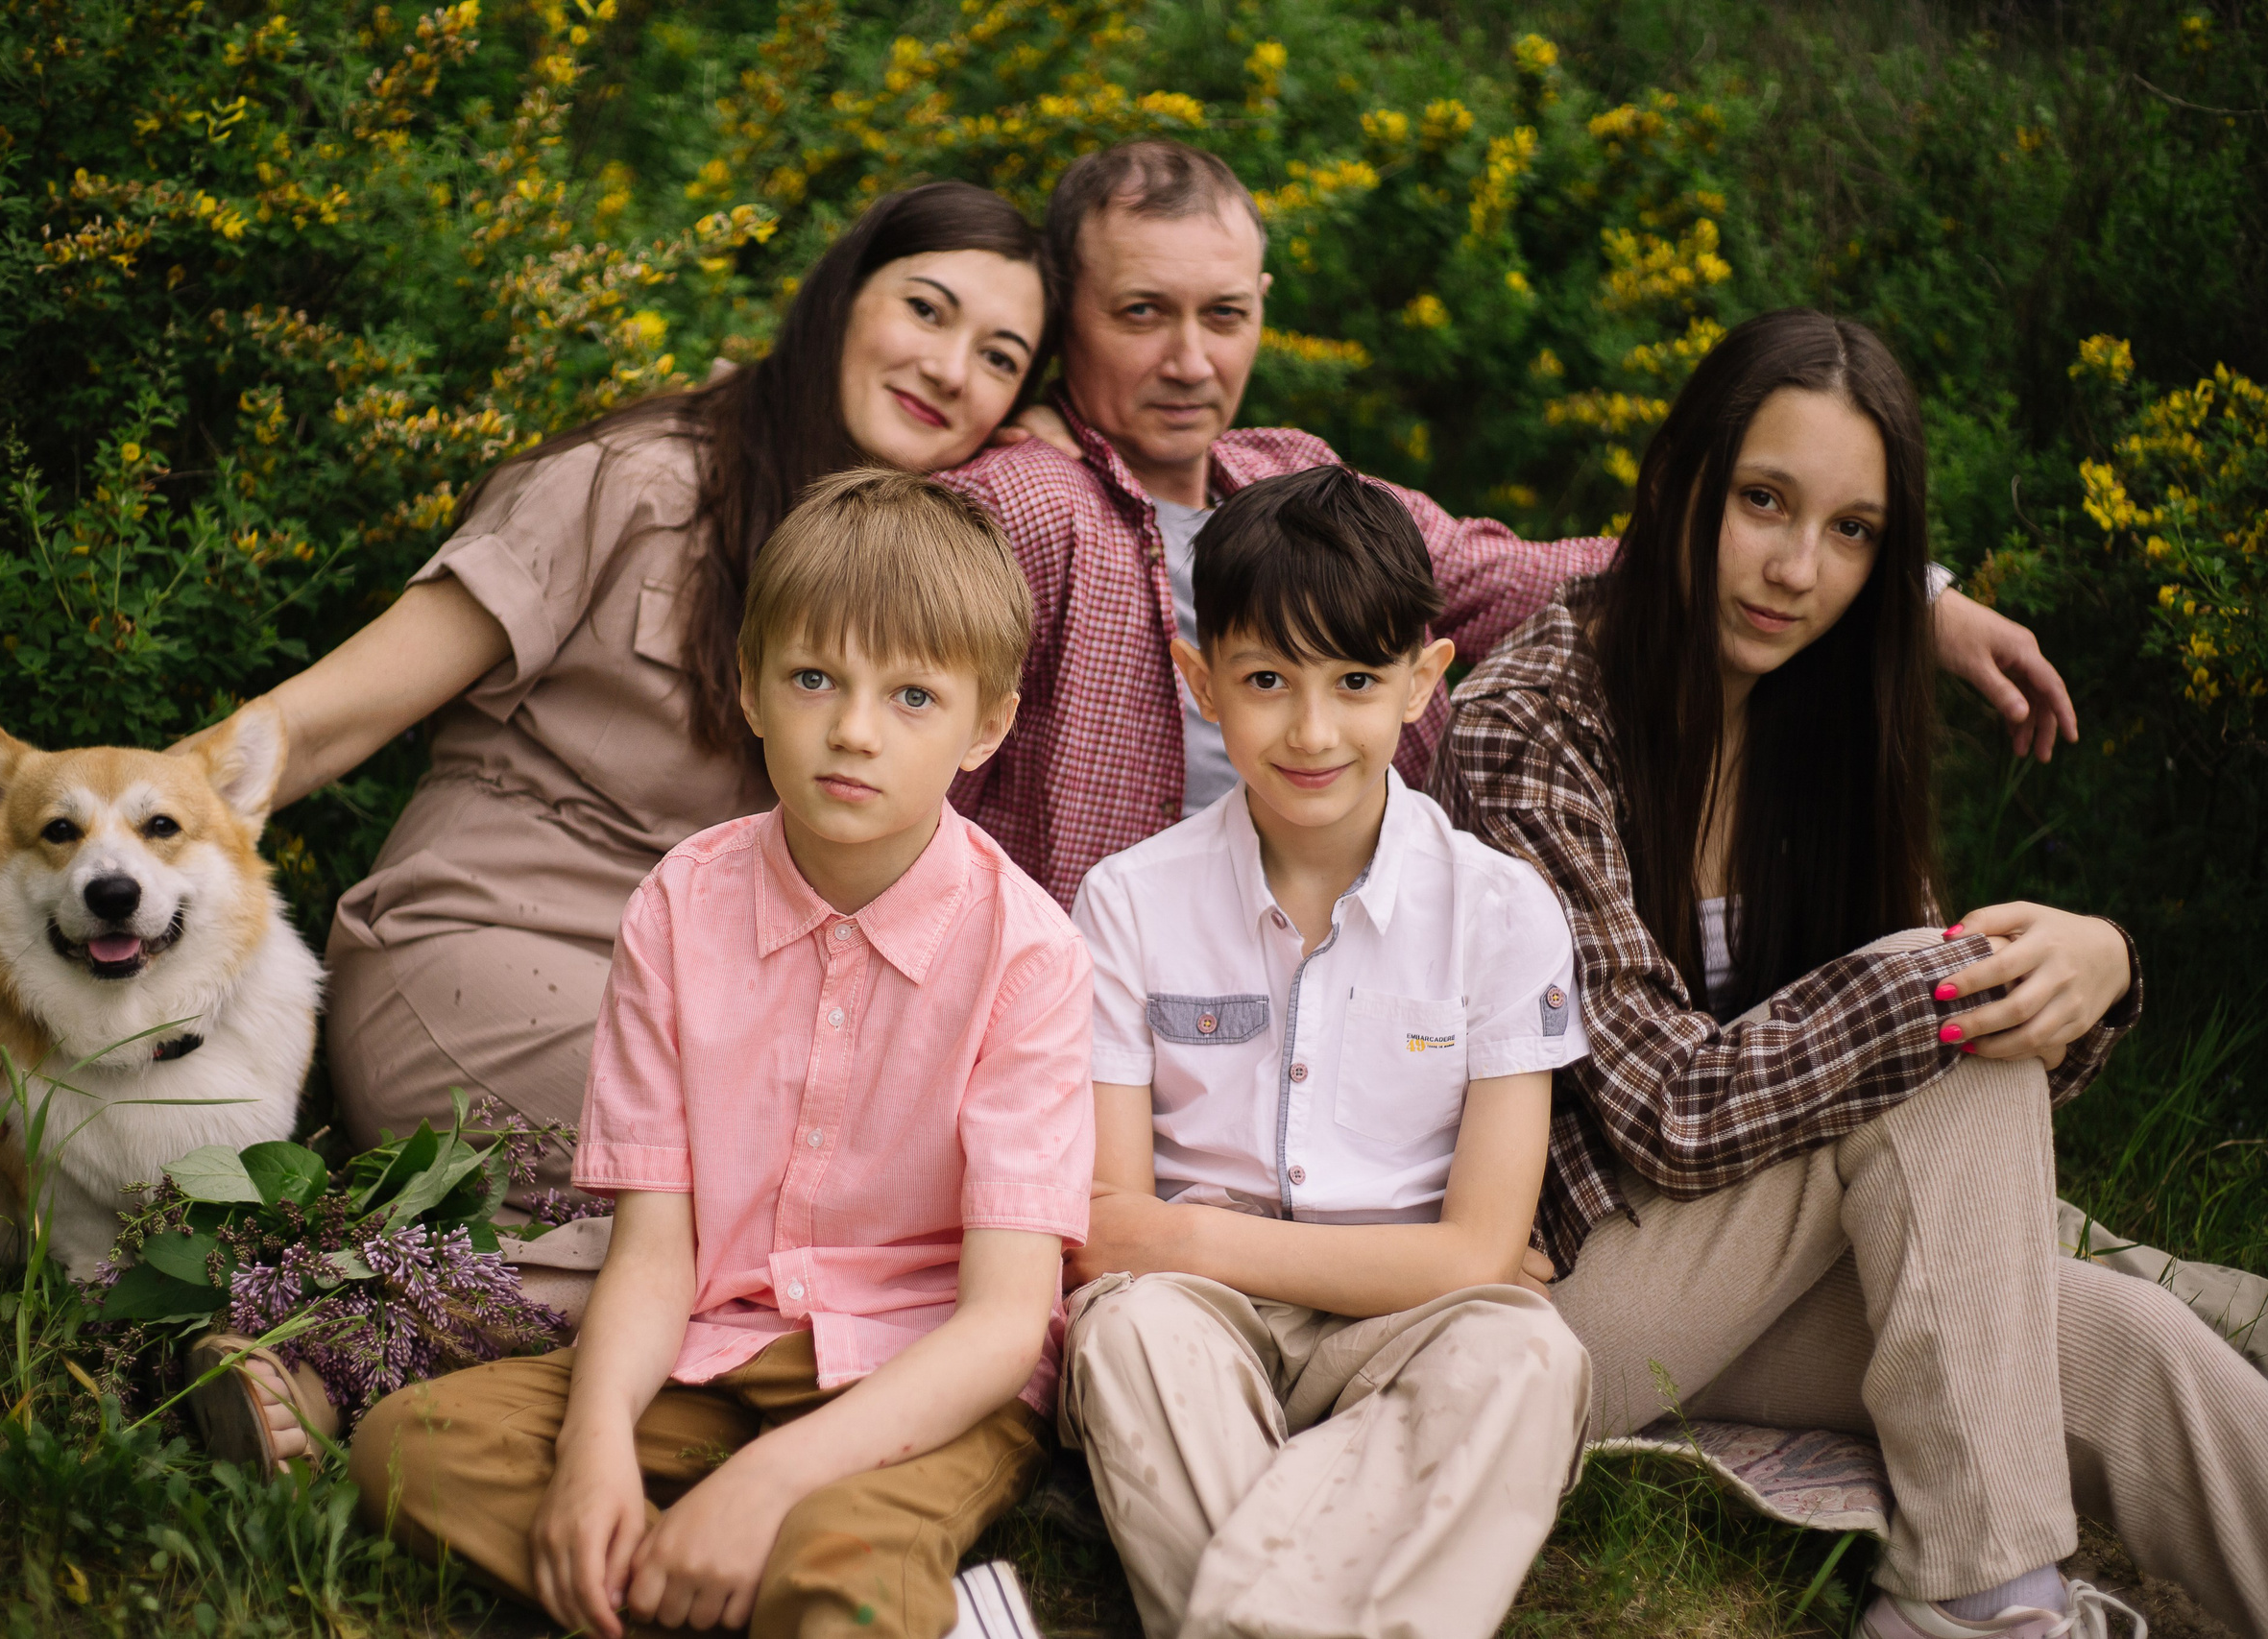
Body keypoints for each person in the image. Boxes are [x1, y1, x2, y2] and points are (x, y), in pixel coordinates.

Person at [0, 180, 1052, 1203]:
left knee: (849, 1190)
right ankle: (340, 1343)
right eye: (926, 309)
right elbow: (326, 719)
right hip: (481, 964)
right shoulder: (639, 483)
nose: (952, 368)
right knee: (799, 1181)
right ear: (839, 301)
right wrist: (23, 912)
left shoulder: (898, 587)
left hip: (697, 1004)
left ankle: (362, 1339)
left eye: (1001, 357)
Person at [1429, 307, 2268, 1638]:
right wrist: (1948, 980)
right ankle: (1978, 1597)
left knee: (2130, 1346)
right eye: (1764, 501)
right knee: (1936, 1007)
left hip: (1746, 1274)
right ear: (1685, 480)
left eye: (1852, 530)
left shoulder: (1824, 721)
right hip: (1551, 1296)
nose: (1796, 567)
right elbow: (1667, 1110)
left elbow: (1960, 1117)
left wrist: (2101, 968)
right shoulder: (1530, 718)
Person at [944, 138, 2081, 911]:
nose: (1191, 360)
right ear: (1065, 309)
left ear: (1262, 309)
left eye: (1224, 315)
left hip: (1357, 985)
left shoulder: (1284, 474)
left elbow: (1515, 574)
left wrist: (1911, 596)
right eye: (1142, 313)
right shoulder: (1021, 507)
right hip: (1125, 1016)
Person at [349, 470, 1095, 1639]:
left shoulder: (1029, 954)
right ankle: (722, 1581)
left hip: (920, 1372)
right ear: (748, 688)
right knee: (409, 1447)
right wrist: (594, 1454)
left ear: (984, 726)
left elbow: (1003, 1325)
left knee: (833, 1569)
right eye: (813, 679)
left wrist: (770, 1480)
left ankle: (812, 1576)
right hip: (714, 1346)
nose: (852, 730)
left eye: (912, 696)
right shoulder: (681, 906)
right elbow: (653, 1251)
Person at [1059, 467, 1591, 1639]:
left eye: (1355, 682)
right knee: (1130, 1333)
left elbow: (1481, 1251)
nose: (1311, 730)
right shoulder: (1127, 905)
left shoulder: (1502, 912)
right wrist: (1170, 1251)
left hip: (1409, 1334)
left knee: (1527, 1361)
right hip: (1201, 1320)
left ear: (1421, 682)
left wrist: (1186, 1230)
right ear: (1202, 686)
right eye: (1265, 681)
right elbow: (1106, 1237)